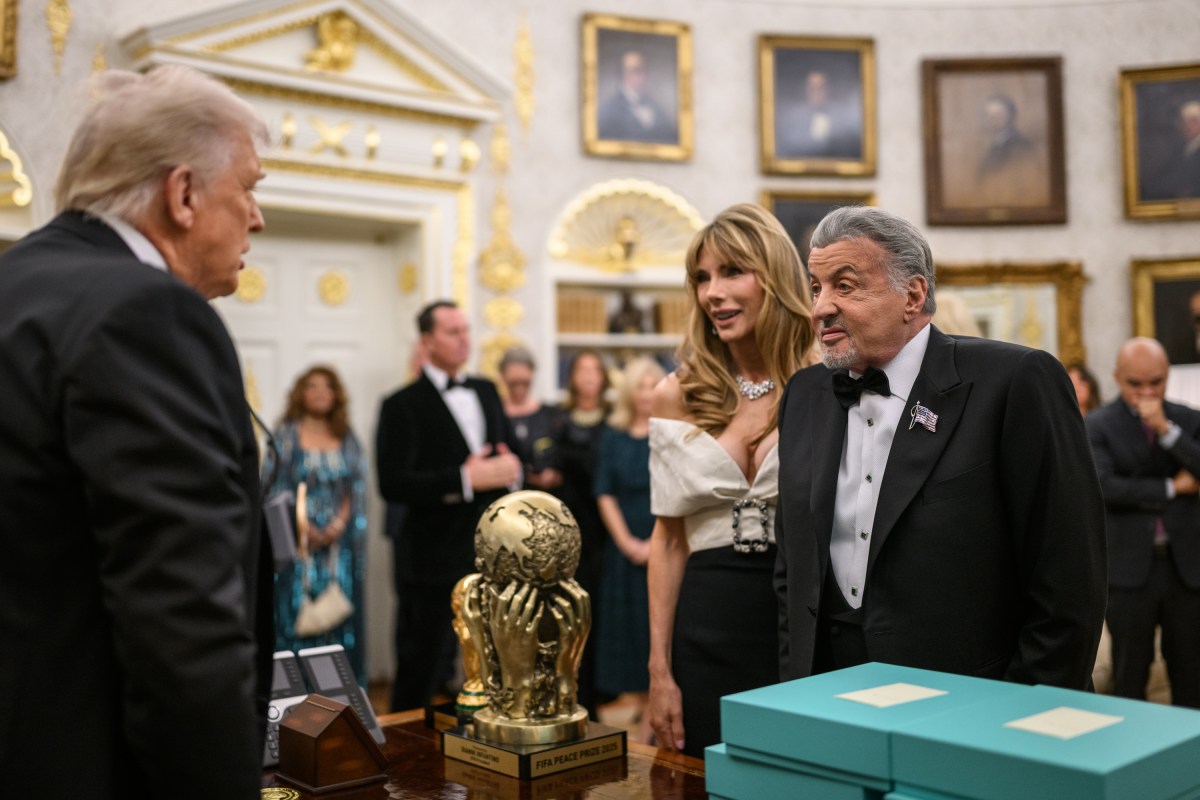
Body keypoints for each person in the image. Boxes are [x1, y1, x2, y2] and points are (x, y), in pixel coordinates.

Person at [0, 66, 271, 798]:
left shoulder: (17, 284)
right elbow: (180, 628)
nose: (257, 216)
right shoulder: (145, 314)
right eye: (248, 187)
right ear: (182, 194)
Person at [776, 205, 1106, 690]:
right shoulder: (805, 394)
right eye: (816, 287)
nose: (820, 306)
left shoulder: (1014, 382)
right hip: (826, 691)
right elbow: (792, 568)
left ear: (912, 295)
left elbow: (1069, 578)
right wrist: (796, 685)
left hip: (973, 699)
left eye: (844, 286)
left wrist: (1024, 710)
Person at [648, 203, 814, 757]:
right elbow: (668, 541)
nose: (712, 293)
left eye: (731, 272)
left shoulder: (824, 381)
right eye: (701, 278)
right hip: (705, 617)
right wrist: (658, 670)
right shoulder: (679, 393)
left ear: (774, 275)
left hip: (800, 617)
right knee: (703, 774)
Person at [375, 300, 521, 711]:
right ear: (427, 341)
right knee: (422, 661)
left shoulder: (486, 389)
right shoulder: (401, 404)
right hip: (430, 555)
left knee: (497, 656)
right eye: (453, 332)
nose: (464, 340)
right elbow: (393, 483)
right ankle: (404, 759)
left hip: (493, 550)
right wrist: (462, 479)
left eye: (466, 330)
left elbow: (512, 451)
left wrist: (513, 468)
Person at [1086, 337, 1200, 708]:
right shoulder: (1098, 424)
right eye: (1136, 384)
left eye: (1156, 382)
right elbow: (1105, 486)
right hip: (1129, 572)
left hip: (1186, 570)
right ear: (1118, 378)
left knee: (1191, 674)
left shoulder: (1186, 420)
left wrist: (1166, 431)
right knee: (1129, 674)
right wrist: (1171, 486)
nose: (1147, 392)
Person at [264, 365, 368, 683]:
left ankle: (343, 700)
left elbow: (356, 487)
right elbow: (272, 487)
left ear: (336, 395)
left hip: (340, 549)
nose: (321, 392)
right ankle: (293, 696)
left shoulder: (347, 437)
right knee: (295, 615)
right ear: (300, 393)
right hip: (297, 549)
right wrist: (302, 525)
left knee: (339, 618)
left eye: (328, 386)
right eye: (312, 385)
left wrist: (338, 523)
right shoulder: (284, 436)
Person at [593, 356, 665, 741]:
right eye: (639, 385)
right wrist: (628, 543)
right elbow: (604, 493)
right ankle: (643, 707)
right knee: (627, 633)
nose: (646, 393)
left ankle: (651, 719)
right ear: (628, 392)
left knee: (656, 631)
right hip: (624, 551)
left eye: (653, 384)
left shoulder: (672, 431)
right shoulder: (614, 435)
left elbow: (679, 493)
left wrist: (655, 543)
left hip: (665, 541)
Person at [555, 349, 612, 716]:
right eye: (582, 370)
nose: (589, 377)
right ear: (572, 377)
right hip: (566, 531)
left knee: (596, 614)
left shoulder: (613, 420)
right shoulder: (558, 420)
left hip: (604, 530)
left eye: (595, 369)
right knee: (566, 615)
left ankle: (594, 696)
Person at [499, 346, 564, 492]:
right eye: (513, 383)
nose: (519, 388)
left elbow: (563, 459)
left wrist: (554, 475)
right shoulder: (494, 415)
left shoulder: (552, 415)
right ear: (503, 377)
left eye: (525, 382)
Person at [776, 69, 861, 160]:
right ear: (806, 90)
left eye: (821, 87)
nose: (817, 92)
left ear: (828, 89)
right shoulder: (794, 118)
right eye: (812, 88)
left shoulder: (841, 118)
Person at [597, 49, 677, 143]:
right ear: (622, 74)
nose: (642, 76)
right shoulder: (610, 110)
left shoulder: (657, 107)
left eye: (644, 70)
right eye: (635, 71)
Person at [1147, 99, 1200, 201]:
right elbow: (1170, 173)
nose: (1184, 127)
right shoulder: (1182, 147)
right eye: (1183, 123)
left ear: (1198, 123)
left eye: (1188, 123)